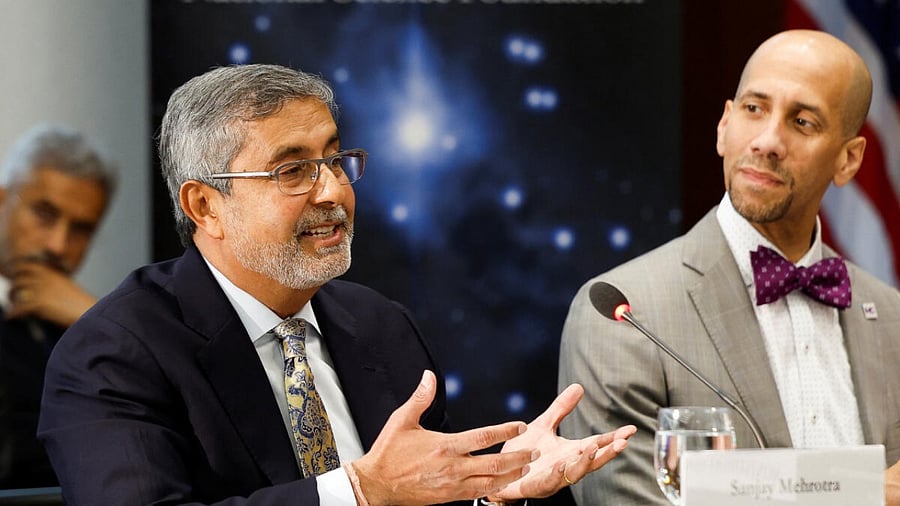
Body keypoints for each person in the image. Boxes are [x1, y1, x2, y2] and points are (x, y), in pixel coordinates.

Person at [37, 64, 635, 505]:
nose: (333, 192)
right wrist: (359, 490)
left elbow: (421, 491)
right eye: (293, 169)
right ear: (204, 205)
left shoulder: (380, 326)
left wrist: (492, 490)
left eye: (334, 159)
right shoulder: (114, 353)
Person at [558, 29, 900, 505]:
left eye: (802, 122)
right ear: (724, 126)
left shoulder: (893, 317)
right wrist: (862, 492)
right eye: (754, 108)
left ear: (848, 159)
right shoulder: (624, 316)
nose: (767, 140)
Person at [0, 124, 115, 489]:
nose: (58, 245)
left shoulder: (71, 325)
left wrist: (91, 319)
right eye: (44, 215)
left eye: (81, 230)